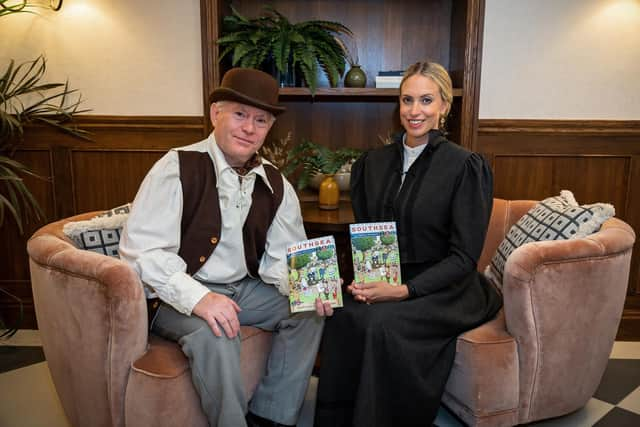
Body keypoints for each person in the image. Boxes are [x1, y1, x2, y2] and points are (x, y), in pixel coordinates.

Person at [119, 68, 331, 427]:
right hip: (175, 294)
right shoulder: (176, 167)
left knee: (307, 310)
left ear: (268, 129)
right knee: (217, 331)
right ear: (216, 113)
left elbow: (283, 257)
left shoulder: (277, 185)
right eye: (240, 114)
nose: (249, 128)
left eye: (260, 120)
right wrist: (200, 299)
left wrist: (308, 288)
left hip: (243, 289)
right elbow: (143, 254)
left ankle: (272, 416)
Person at [314, 61, 503, 427]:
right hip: (387, 278)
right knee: (345, 314)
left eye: (426, 100)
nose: (415, 111)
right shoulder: (372, 163)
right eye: (407, 100)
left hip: (446, 286)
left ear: (445, 106)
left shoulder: (466, 167)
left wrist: (403, 290)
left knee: (379, 324)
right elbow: (366, 236)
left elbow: (464, 257)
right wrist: (358, 280)